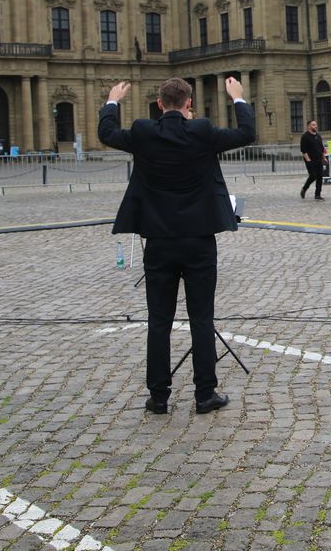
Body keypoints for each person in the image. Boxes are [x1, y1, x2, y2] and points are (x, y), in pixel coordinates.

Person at [99, 77, 255, 415]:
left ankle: (159, 397)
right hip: (198, 240)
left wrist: (112, 101)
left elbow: (106, 133)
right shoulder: (201, 132)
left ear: (159, 103)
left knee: (159, 321)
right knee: (201, 318)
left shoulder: (143, 132)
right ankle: (204, 395)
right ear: (188, 103)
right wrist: (238, 99)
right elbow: (246, 133)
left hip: (158, 241)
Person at [299, 119, 326, 200]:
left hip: (318, 159)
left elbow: (322, 148)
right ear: (309, 126)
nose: (315, 126)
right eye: (313, 125)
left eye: (316, 124)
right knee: (313, 175)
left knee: (319, 177)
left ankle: (317, 195)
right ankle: (304, 188)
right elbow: (304, 150)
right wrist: (308, 161)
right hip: (310, 159)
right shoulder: (305, 136)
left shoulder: (318, 136)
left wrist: (324, 158)